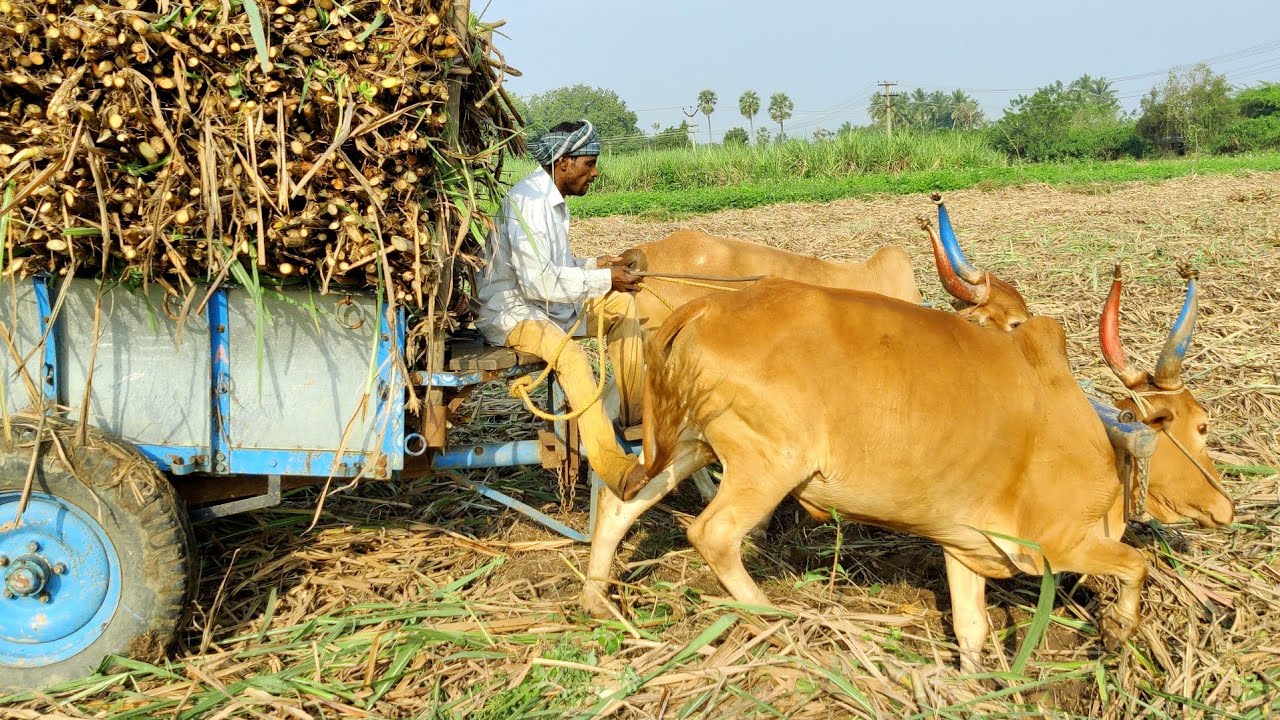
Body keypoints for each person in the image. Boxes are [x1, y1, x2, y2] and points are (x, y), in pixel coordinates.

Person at [474, 120, 646, 498]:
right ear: (564, 162)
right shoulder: (529, 203)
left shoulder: (550, 199)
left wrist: (595, 265)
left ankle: (634, 419)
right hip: (513, 312)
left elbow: (556, 268)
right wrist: (605, 278)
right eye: (590, 163)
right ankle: (614, 467)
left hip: (545, 305)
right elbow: (539, 283)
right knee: (572, 357)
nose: (595, 172)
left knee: (621, 306)